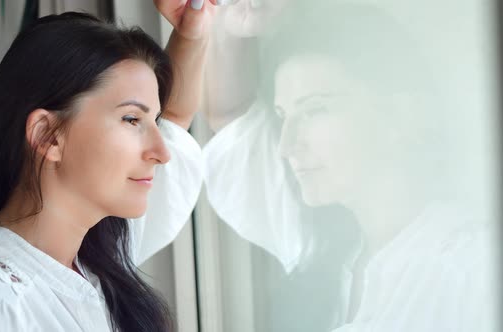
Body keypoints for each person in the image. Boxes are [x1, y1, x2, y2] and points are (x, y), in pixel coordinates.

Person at [0, 1, 218, 331]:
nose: (162, 152)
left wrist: (192, 31)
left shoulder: (95, 252)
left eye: (152, 119)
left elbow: (175, 117)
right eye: (132, 119)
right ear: (48, 135)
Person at [205, 1, 498, 331]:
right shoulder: (318, 244)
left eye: (315, 110)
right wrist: (232, 26)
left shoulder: (476, 268)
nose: (287, 147)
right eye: (284, 116)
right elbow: (232, 120)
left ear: (404, 115)